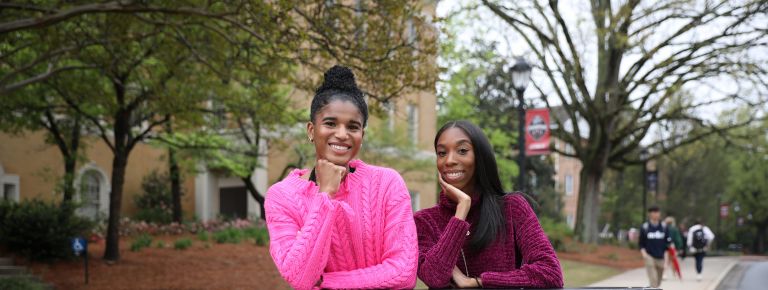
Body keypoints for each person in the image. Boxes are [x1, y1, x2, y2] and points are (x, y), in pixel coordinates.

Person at [264, 65, 418, 289]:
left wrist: (327, 281)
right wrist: (325, 194)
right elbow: (300, 277)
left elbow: (404, 273)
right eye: (330, 123)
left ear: (361, 135)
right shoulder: (282, 196)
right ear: (311, 130)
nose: (342, 134)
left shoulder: (387, 183)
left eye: (353, 127)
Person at [414, 120, 563, 288]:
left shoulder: (512, 208)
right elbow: (434, 277)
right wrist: (462, 209)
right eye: (442, 153)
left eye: (462, 151)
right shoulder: (423, 221)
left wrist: (478, 281)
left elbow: (550, 273)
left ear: (480, 157)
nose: (449, 161)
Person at [639, 205, 672, 288]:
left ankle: (651, 288)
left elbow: (667, 244)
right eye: (654, 212)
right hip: (649, 256)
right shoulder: (645, 227)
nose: (656, 214)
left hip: (661, 256)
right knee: (653, 279)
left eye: (657, 212)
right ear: (650, 214)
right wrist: (644, 254)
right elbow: (641, 243)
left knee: (658, 281)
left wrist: (667, 258)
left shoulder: (664, 227)